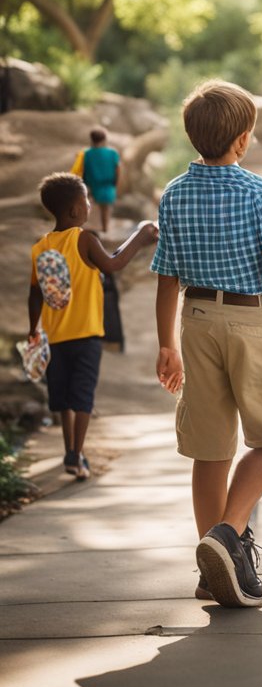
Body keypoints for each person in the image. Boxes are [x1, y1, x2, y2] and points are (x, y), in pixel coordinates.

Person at [152, 79, 262, 610]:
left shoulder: (174, 193)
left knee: (209, 448)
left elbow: (166, 279)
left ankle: (210, 569)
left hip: (195, 321)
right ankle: (228, 534)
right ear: (243, 141)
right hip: (249, 319)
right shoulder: (258, 192)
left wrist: (166, 345)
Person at [28, 173, 158, 480]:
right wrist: (140, 236)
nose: (89, 204)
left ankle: (70, 453)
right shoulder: (83, 239)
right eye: (86, 199)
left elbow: (34, 294)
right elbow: (112, 264)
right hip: (86, 334)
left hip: (55, 335)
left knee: (63, 399)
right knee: (83, 395)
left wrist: (34, 329)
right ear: (75, 210)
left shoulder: (40, 247)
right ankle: (77, 453)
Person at [82, 128, 120, 233]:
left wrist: (85, 183)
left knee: (89, 209)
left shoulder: (87, 154)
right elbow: (117, 170)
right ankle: (105, 230)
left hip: (93, 186)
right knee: (106, 210)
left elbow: (85, 170)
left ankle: (87, 231)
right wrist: (115, 183)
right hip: (108, 186)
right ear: (104, 139)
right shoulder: (112, 153)